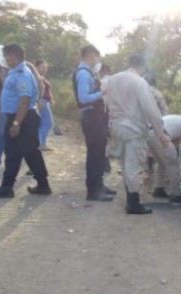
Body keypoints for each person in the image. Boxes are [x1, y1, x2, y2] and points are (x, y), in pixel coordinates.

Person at [106, 54, 170, 214]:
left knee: (124, 165)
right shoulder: (140, 82)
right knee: (133, 166)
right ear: (142, 67)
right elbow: (151, 110)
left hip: (116, 127)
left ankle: (130, 199)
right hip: (133, 130)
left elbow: (107, 103)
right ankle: (133, 203)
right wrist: (160, 133)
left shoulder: (113, 79)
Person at [0, 44, 51, 198]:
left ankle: (43, 184)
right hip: (16, 117)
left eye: (7, 56)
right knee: (12, 153)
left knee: (31, 152)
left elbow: (24, 100)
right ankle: (7, 187)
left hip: (23, 118)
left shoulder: (22, 74)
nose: (6, 59)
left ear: (14, 56)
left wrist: (16, 123)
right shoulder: (14, 72)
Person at [73, 45, 115, 202]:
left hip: (96, 117)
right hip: (91, 118)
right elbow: (83, 98)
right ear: (91, 56)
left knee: (99, 154)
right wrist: (102, 92)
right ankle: (93, 190)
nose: (97, 60)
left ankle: (99, 185)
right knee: (95, 154)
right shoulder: (83, 74)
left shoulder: (89, 73)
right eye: (96, 57)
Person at [148, 115, 181, 203]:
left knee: (160, 163)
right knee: (173, 164)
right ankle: (176, 195)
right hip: (161, 134)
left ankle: (158, 189)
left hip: (149, 133)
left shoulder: (179, 121)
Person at [35, 59, 55, 150]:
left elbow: (46, 90)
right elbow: (37, 90)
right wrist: (39, 101)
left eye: (46, 68)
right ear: (36, 67)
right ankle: (40, 144)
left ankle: (40, 143)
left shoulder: (40, 77)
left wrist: (50, 99)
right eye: (42, 67)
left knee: (43, 124)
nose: (45, 69)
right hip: (42, 102)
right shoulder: (37, 77)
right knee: (48, 123)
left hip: (44, 101)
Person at [0, 60, 8, 175]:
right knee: (0, 137)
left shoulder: (3, 71)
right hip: (2, 111)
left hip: (1, 111)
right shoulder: (5, 70)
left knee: (0, 137)